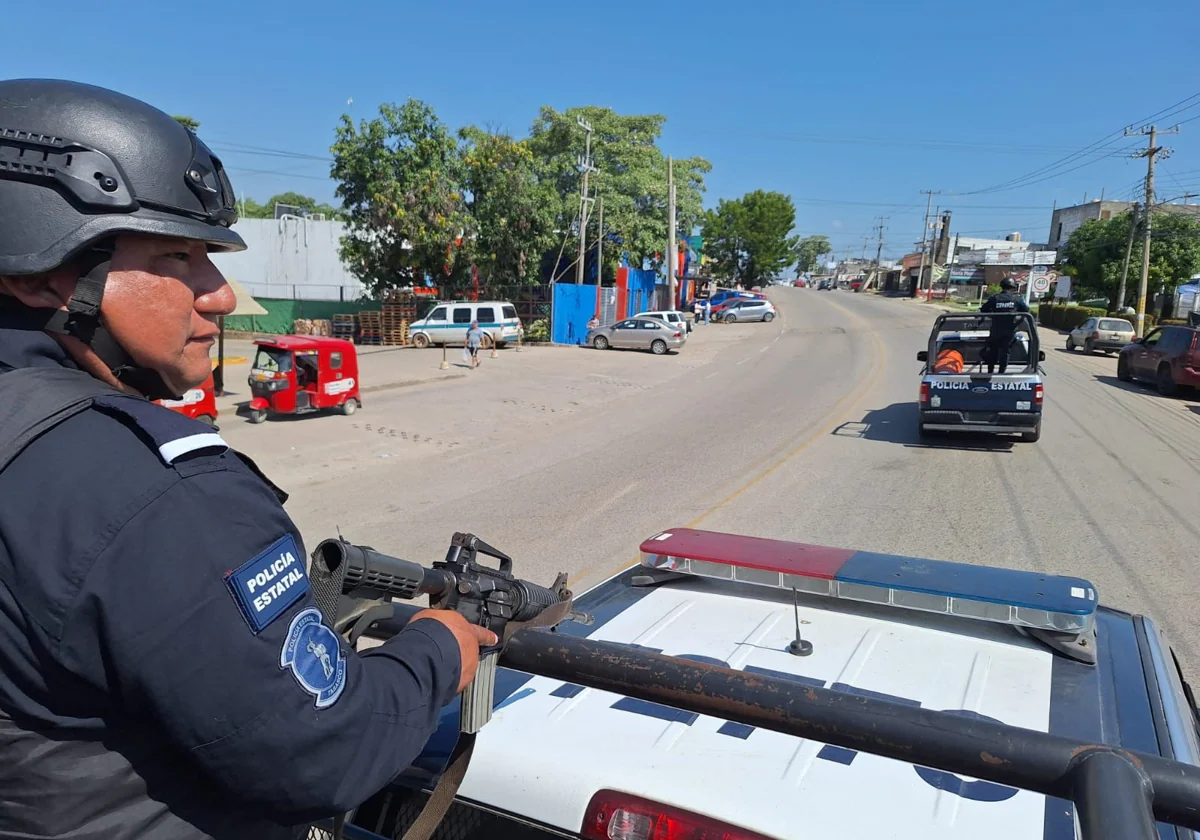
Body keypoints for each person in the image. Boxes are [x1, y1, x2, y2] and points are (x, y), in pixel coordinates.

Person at [0, 79, 496, 840]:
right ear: (39, 272)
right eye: (179, 256)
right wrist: (440, 646)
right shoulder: (156, 493)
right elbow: (322, 748)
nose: (222, 295)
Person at [979, 277, 1030, 374]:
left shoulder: (995, 298)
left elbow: (983, 309)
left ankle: (990, 371)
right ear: (1013, 287)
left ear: (1002, 286)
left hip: (996, 330)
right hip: (1010, 331)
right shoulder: (1016, 299)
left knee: (993, 351)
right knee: (1005, 352)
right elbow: (1026, 310)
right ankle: (1001, 372)